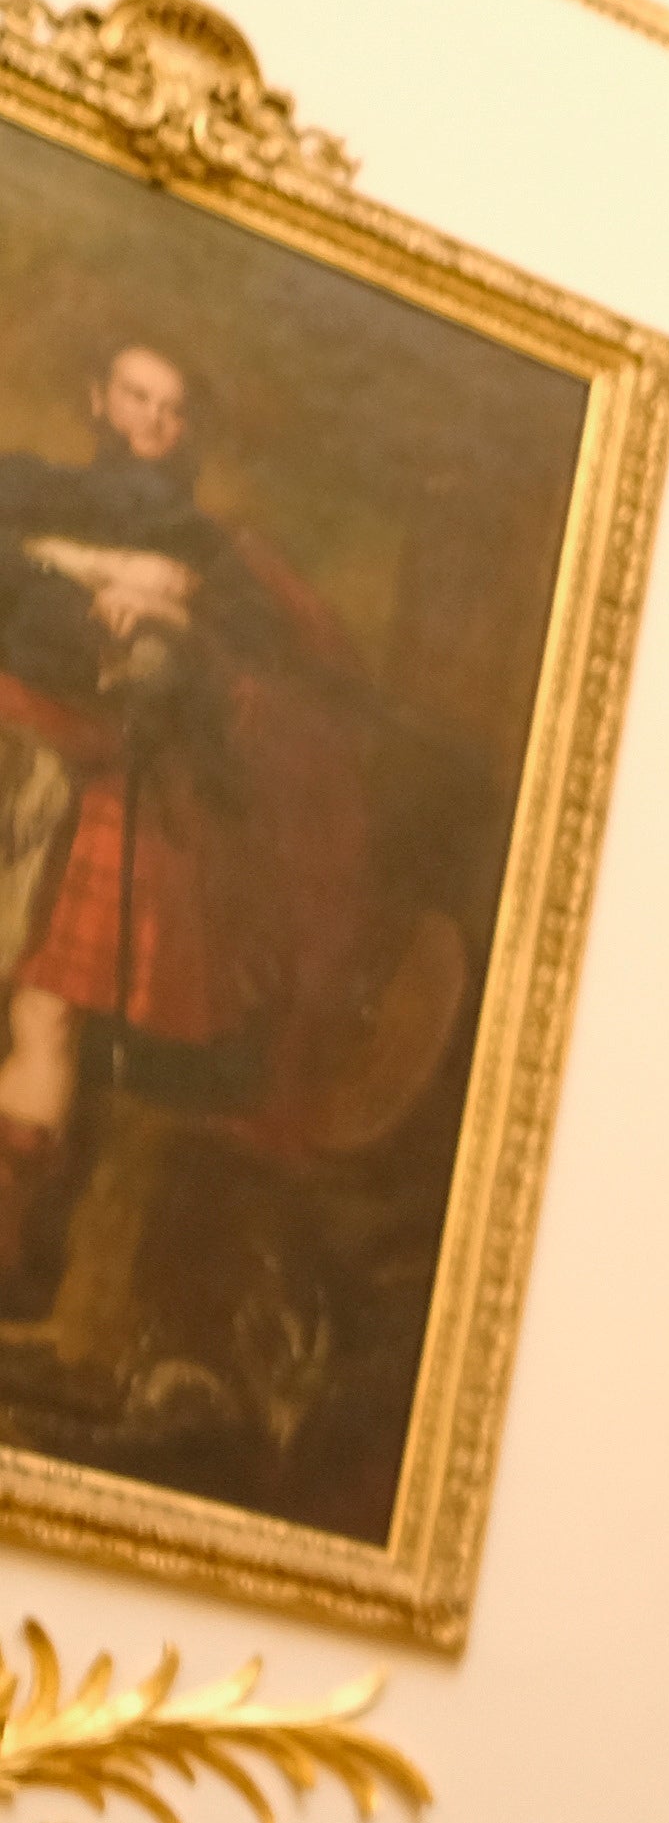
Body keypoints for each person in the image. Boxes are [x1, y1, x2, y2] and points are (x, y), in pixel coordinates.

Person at [0, 338, 363, 1311]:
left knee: (53, 1013)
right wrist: (85, 565)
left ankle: (10, 1251)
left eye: (171, 407)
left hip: (124, 786)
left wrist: (176, 613)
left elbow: (272, 669)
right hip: (19, 750)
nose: (152, 422)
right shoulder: (31, 491)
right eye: (135, 397)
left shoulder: (216, 552)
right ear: (97, 398)